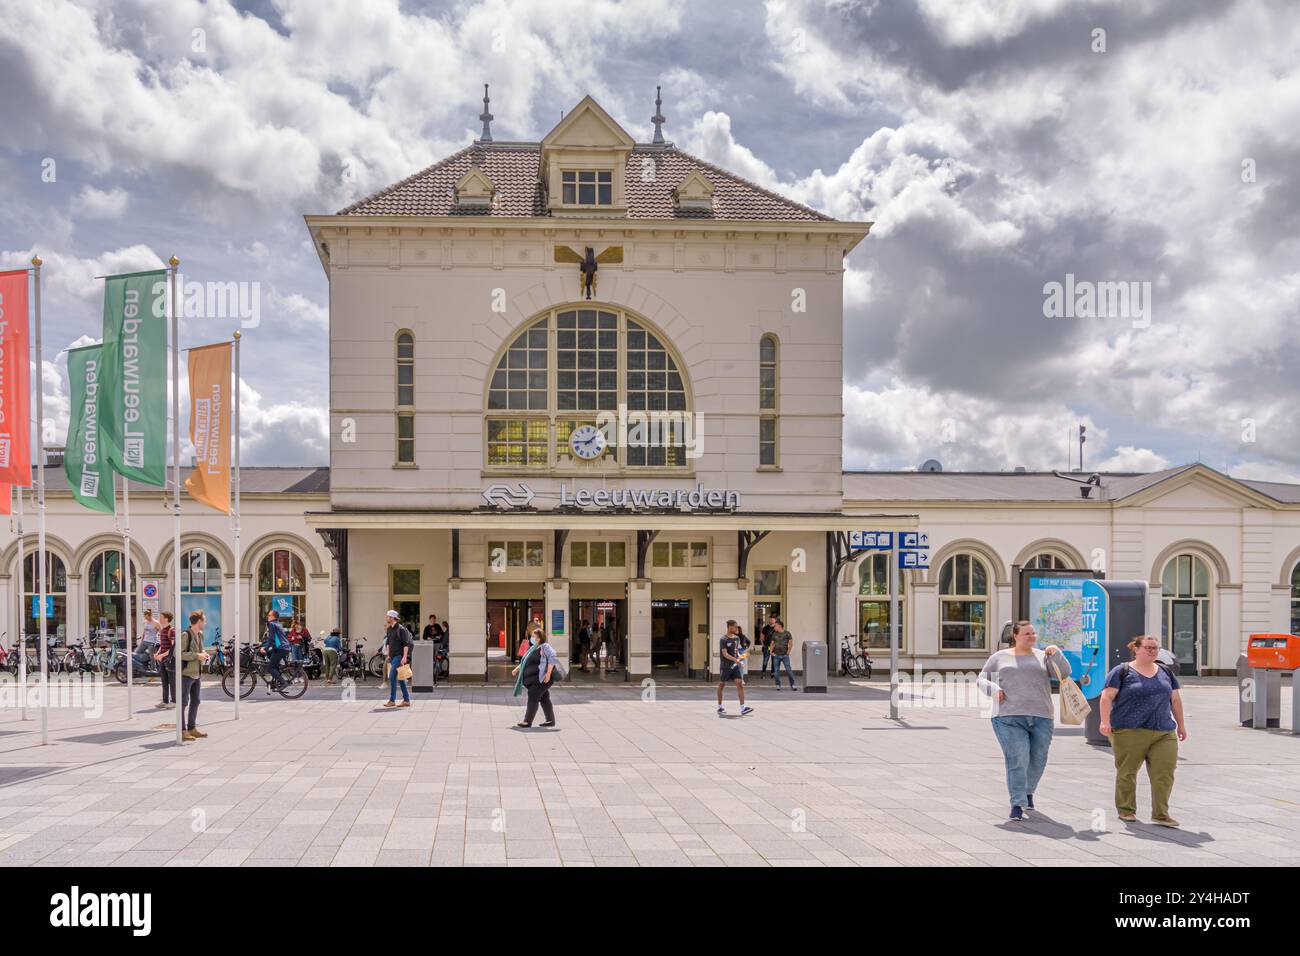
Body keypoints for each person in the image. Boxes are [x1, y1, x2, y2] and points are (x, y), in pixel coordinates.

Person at [977, 621, 1070, 821]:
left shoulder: (1043, 656)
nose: (1031, 637)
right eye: (1027, 633)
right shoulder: (999, 657)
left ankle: (1028, 792)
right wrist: (994, 690)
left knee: (1038, 759)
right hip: (1008, 716)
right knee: (1017, 759)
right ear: (1016, 636)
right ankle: (1017, 804)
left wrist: (1056, 654)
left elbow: (1064, 674)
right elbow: (981, 679)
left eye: (1034, 633)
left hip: (1042, 715)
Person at [1100, 635, 1187, 827]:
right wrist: (1105, 721)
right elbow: (1106, 697)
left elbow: (1175, 700)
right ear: (1136, 649)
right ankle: (1126, 810)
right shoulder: (1122, 671)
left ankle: (1161, 814)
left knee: (1164, 773)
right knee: (1127, 772)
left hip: (1164, 730)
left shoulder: (1165, 671)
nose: (1153, 651)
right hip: (1129, 730)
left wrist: (1180, 725)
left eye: (1155, 648)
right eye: (1148, 648)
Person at [512, 626, 557, 728]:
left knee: (533, 696)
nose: (532, 638)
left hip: (541, 679)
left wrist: (548, 673)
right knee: (544, 698)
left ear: (539, 638)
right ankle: (550, 720)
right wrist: (517, 669)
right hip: (534, 679)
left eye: (534, 636)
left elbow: (553, 657)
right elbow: (525, 661)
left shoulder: (544, 646)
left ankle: (527, 721)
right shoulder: (533, 648)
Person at [179, 610, 211, 741]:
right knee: (183, 702)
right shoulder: (185, 635)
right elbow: (178, 654)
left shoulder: (200, 635)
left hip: (197, 673)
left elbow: (200, 650)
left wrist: (204, 653)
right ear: (199, 622)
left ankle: (192, 728)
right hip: (186, 674)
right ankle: (182, 731)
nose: (206, 622)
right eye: (204, 620)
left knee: (196, 701)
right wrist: (197, 656)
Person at [716, 620, 753, 717]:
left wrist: (740, 658)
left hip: (735, 666)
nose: (737, 629)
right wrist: (735, 660)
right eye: (735, 627)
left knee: (739, 683)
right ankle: (720, 706)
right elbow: (725, 654)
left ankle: (743, 707)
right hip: (726, 666)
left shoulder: (736, 638)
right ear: (729, 627)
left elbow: (736, 652)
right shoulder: (723, 639)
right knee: (721, 684)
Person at [383, 609, 413, 708]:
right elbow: (388, 643)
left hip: (399, 656)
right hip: (392, 657)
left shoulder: (401, 629)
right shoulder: (389, 629)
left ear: (392, 618)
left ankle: (392, 700)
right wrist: (388, 655)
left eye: (387, 616)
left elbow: (406, 644)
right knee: (401, 678)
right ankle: (406, 700)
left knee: (392, 677)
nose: (386, 618)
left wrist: (404, 657)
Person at [261, 610, 290, 691]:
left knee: (269, 668)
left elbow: (271, 638)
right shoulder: (278, 624)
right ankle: (276, 674)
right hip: (283, 647)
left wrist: (265, 648)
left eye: (269, 615)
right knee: (269, 654)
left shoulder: (272, 624)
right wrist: (263, 645)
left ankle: (283, 682)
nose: (268, 616)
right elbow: (274, 638)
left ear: (273, 617)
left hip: (280, 648)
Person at [153, 612, 176, 709]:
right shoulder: (162, 630)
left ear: (166, 619)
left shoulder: (172, 630)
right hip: (162, 660)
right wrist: (158, 653)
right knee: (164, 681)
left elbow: (173, 647)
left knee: (172, 681)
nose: (159, 619)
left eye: (161, 617)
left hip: (170, 660)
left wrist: (162, 655)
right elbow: (162, 645)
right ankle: (165, 701)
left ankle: (174, 701)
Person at [770, 618, 796, 691]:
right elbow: (772, 643)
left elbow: (790, 644)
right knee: (776, 671)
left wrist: (788, 652)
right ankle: (778, 685)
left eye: (775, 626)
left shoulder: (787, 633)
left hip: (785, 655)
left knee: (788, 670)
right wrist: (771, 651)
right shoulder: (774, 634)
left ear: (779, 626)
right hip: (776, 655)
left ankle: (793, 684)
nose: (774, 627)